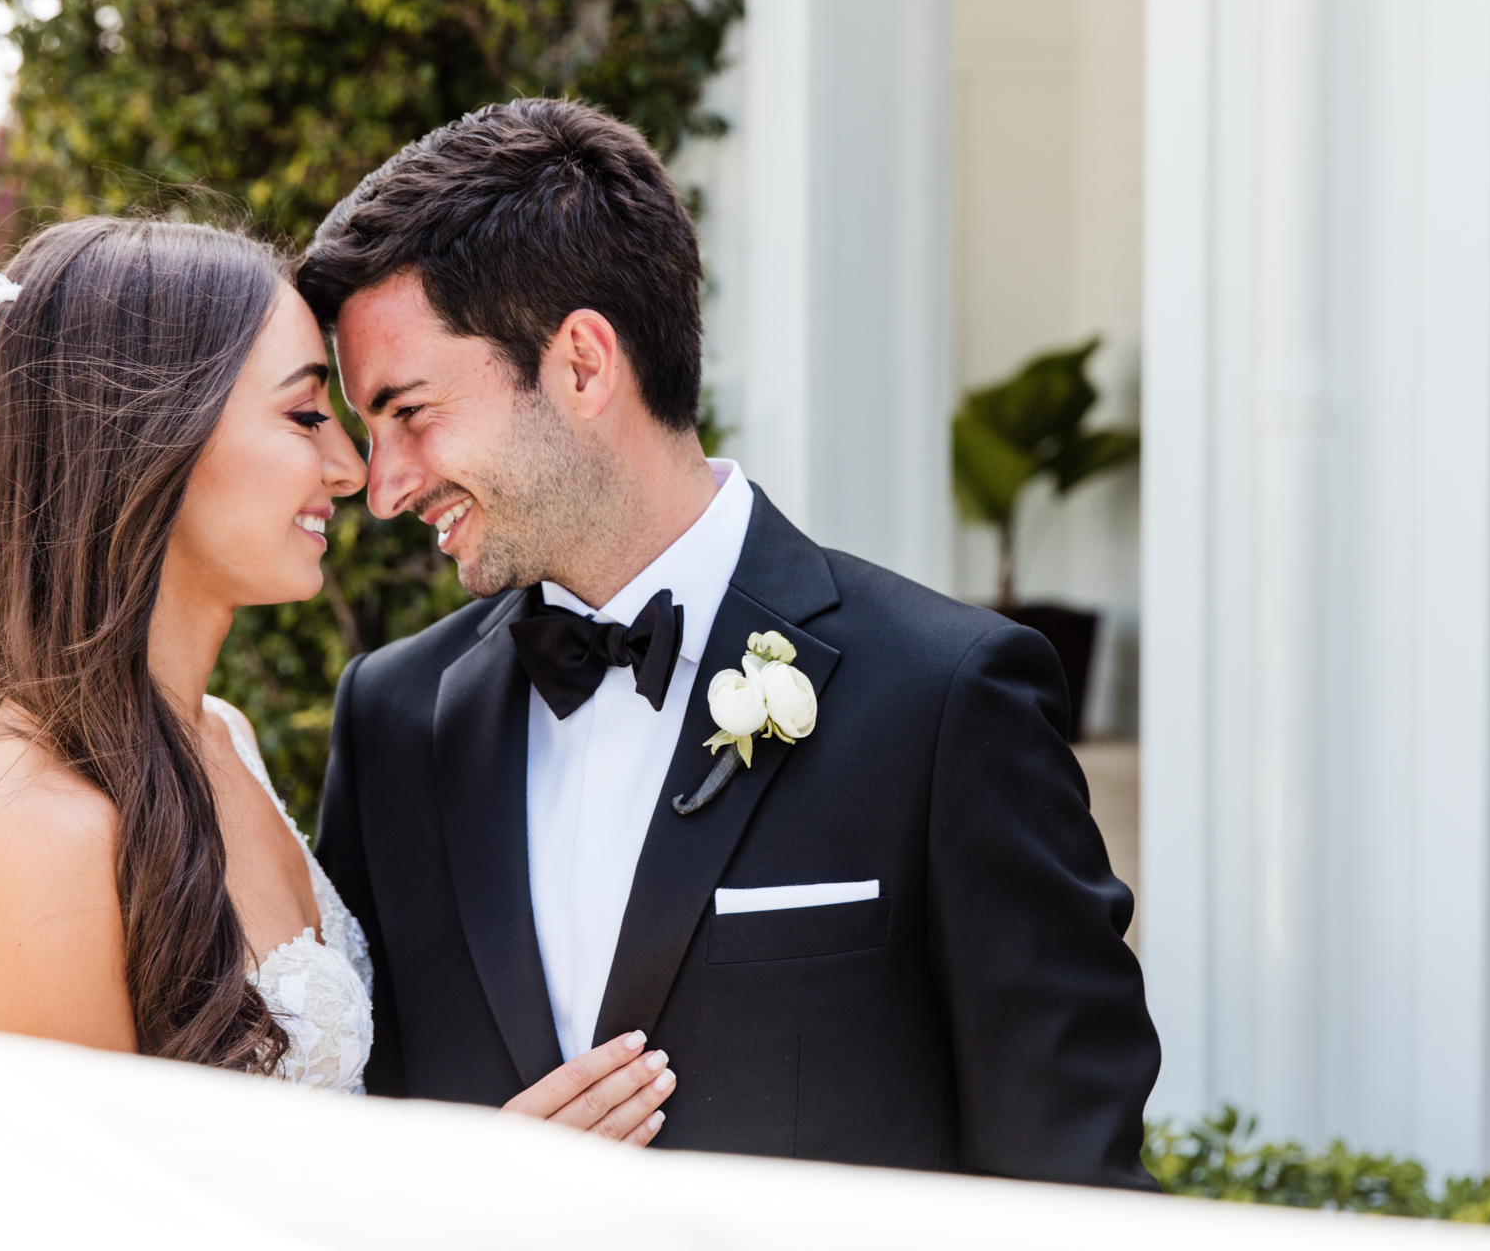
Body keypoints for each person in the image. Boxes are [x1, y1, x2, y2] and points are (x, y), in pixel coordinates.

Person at [300, 99, 1161, 1185]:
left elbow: (1070, 1186)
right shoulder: (391, 721)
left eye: (407, 412)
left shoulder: (944, 699)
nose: (382, 488)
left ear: (579, 363)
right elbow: (344, 1154)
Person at [0, 216, 673, 1140]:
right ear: (145, 441)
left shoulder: (221, 735)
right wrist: (491, 1202)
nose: (350, 472)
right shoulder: (40, 827)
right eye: (305, 416)